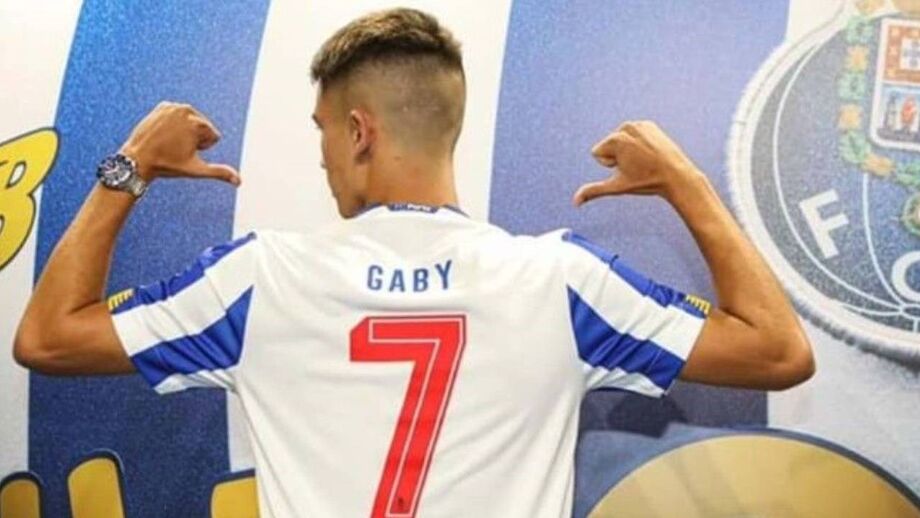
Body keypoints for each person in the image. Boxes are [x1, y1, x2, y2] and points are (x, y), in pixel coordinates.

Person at [13, 8, 814, 518]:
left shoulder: (259, 280)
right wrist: (686, 183)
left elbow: (48, 338)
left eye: (324, 131)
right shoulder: (560, 280)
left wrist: (130, 166)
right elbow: (778, 351)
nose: (323, 158)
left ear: (359, 132)